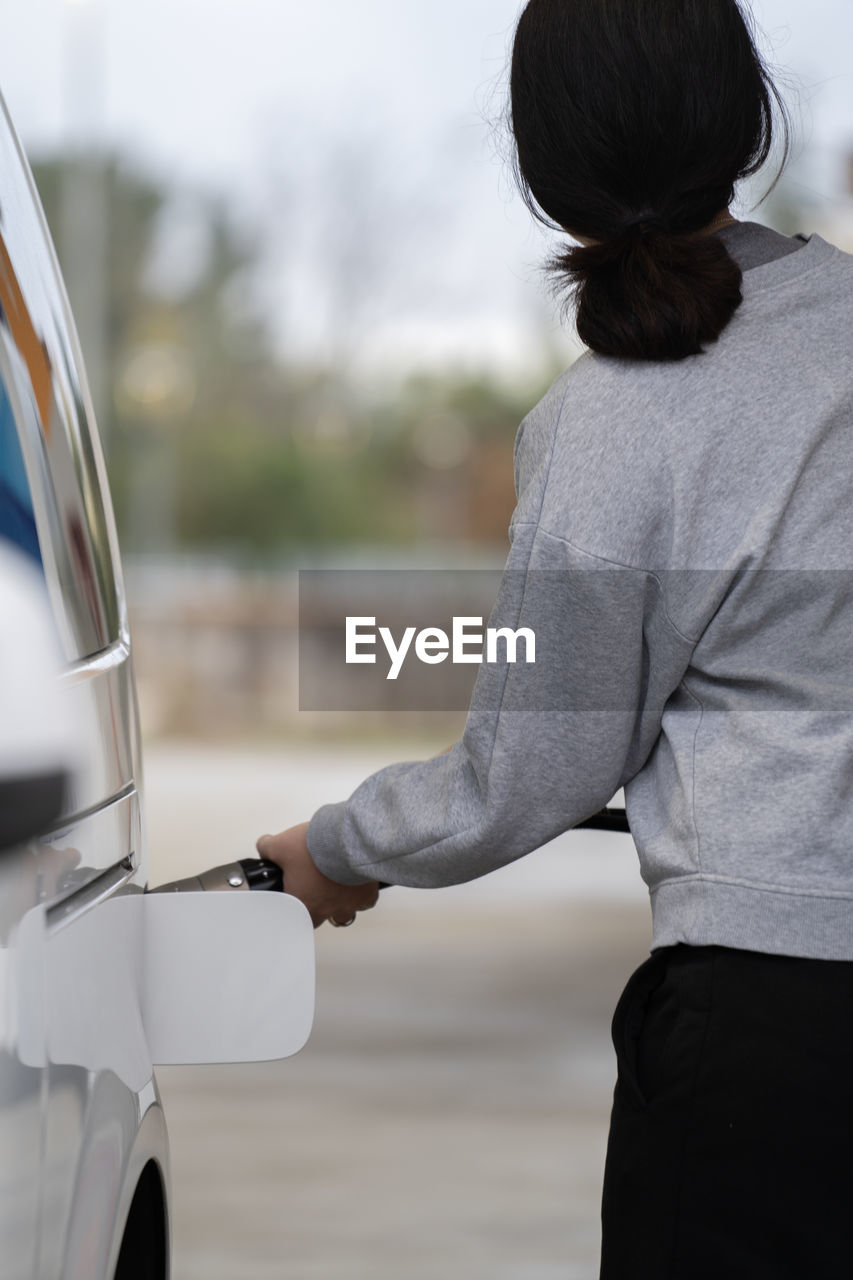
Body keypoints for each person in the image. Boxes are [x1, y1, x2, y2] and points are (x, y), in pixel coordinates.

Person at [256, 2, 853, 1275]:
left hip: (775, 1025)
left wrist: (332, 847)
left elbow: (534, 763)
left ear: (545, 164)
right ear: (747, 117)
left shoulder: (614, 422)